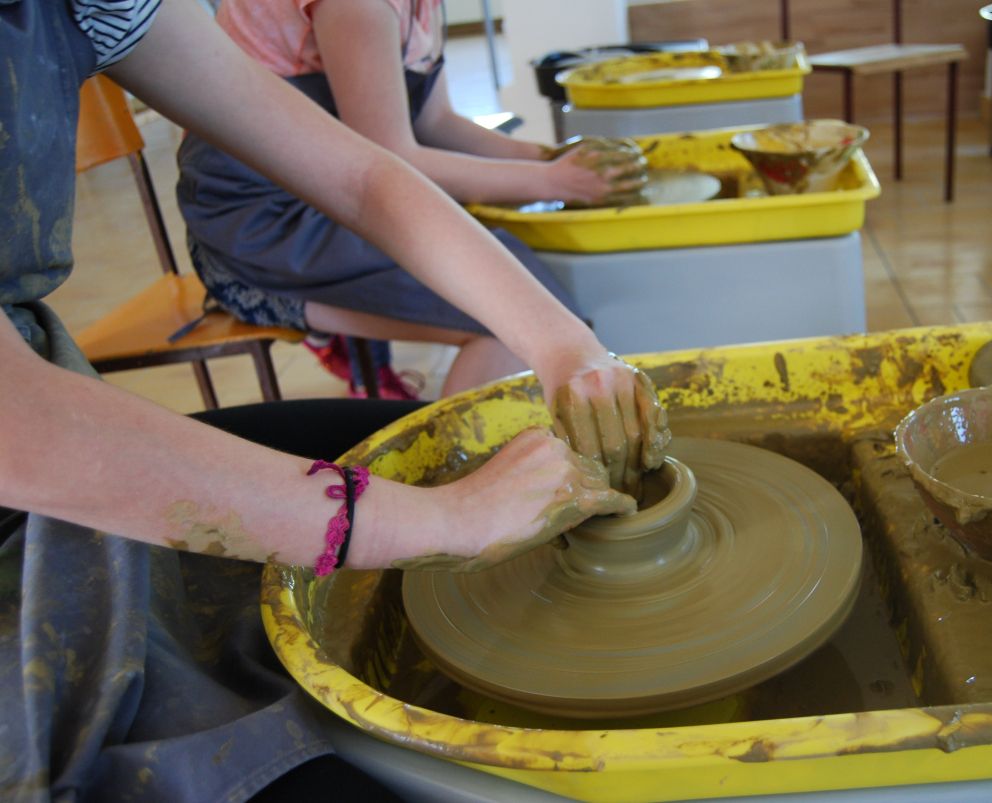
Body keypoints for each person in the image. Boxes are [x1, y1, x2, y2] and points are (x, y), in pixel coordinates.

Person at [0, 0, 668, 800]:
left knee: (414, 444)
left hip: (43, 393)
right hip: (28, 466)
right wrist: (446, 521)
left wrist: (564, 345)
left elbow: (362, 173)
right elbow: (19, 428)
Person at [176, 0, 648, 400]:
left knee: (525, 292)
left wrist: (549, 159)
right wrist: (554, 182)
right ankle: (456, 473)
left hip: (336, 188)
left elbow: (435, 122)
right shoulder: (358, 7)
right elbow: (388, 158)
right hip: (264, 220)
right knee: (512, 321)